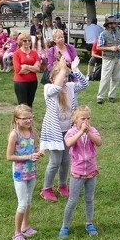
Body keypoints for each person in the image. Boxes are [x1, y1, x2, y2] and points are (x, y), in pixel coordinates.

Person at [39, 58, 88, 202]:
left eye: (67, 76)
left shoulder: (71, 87)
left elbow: (85, 84)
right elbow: (57, 87)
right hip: (54, 131)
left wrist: (75, 69)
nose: (65, 79)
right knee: (55, 162)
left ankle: (62, 185)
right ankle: (46, 188)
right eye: (62, 76)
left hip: (68, 131)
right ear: (52, 77)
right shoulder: (48, 88)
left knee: (66, 161)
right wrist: (61, 67)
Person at [59, 105, 102, 239]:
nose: (86, 121)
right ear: (75, 120)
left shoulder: (92, 130)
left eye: (88, 118)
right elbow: (69, 143)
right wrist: (80, 132)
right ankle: (65, 226)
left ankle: (89, 223)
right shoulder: (71, 132)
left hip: (90, 171)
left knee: (89, 199)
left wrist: (88, 132)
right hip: (77, 173)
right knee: (72, 200)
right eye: (83, 118)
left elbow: (99, 142)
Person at [6, 105, 44, 240]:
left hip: (31, 171)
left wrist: (38, 153)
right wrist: (28, 156)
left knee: (28, 201)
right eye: (25, 118)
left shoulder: (32, 132)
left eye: (30, 117)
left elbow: (34, 148)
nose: (28, 121)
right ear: (16, 120)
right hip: (20, 173)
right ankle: (16, 233)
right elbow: (9, 156)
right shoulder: (14, 135)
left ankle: (25, 227)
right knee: (22, 203)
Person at [96, 16, 120, 104]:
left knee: (115, 78)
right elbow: (99, 47)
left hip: (118, 57)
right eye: (113, 23)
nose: (115, 24)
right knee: (105, 78)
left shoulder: (119, 33)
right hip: (108, 58)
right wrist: (110, 48)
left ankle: (112, 96)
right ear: (108, 25)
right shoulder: (103, 34)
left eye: (115, 23)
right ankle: (100, 97)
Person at [12, 32, 41, 107]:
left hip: (33, 81)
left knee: (30, 103)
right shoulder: (16, 53)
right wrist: (32, 68)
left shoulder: (34, 53)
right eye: (25, 41)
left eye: (29, 40)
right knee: (23, 104)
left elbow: (38, 69)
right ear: (21, 42)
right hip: (20, 82)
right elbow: (19, 70)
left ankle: (30, 118)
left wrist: (26, 67)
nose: (27, 42)